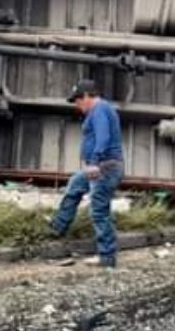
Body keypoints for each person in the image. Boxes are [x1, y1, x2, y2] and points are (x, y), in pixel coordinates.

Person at [49, 80, 125, 269]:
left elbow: (103, 137)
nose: (76, 105)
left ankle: (107, 257)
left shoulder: (99, 109)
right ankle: (58, 226)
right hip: (103, 166)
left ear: (86, 96)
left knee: (99, 211)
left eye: (77, 100)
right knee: (75, 184)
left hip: (103, 167)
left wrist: (93, 162)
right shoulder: (100, 110)